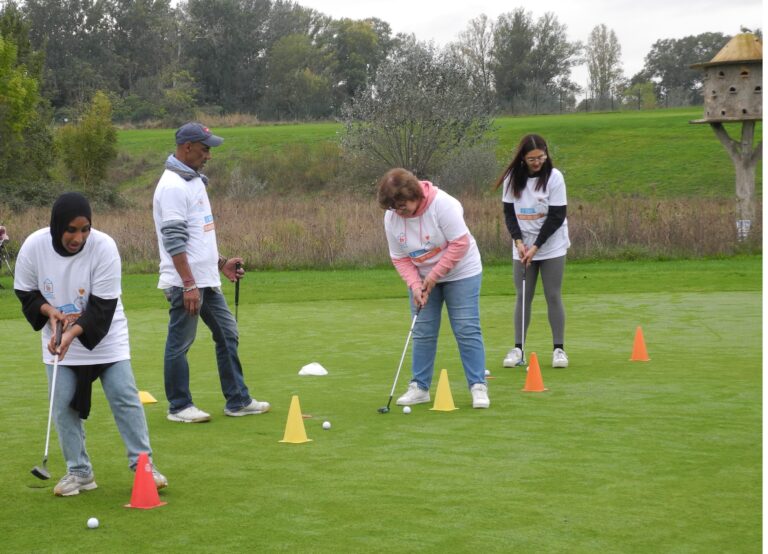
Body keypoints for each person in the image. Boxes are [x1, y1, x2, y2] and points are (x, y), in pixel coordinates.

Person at [14, 192, 167, 496]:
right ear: (57, 226)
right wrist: (50, 313)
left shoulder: (104, 247)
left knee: (124, 396)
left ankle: (144, 467)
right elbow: (26, 293)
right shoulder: (34, 246)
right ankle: (80, 472)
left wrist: (72, 334)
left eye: (84, 229)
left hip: (106, 335)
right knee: (62, 404)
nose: (78, 237)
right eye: (71, 229)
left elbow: (102, 307)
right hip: (58, 337)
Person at [153, 122, 270, 423]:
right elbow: (175, 241)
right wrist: (189, 283)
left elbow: (197, 238)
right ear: (187, 147)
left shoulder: (192, 181)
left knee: (227, 333)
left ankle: (238, 400)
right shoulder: (172, 187)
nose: (209, 155)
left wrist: (221, 263)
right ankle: (179, 406)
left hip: (205, 279)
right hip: (186, 284)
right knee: (180, 343)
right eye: (205, 149)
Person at [377, 168, 490, 409]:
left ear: (414, 194)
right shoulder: (392, 218)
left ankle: (478, 386)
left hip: (462, 271)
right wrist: (416, 285)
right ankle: (420, 387)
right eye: (393, 207)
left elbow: (460, 243)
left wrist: (434, 276)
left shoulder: (443, 205)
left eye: (401, 205)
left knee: (466, 327)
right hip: (422, 275)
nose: (398, 211)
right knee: (422, 329)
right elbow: (399, 258)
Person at [495, 133, 570, 369]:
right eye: (532, 158)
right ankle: (518, 349)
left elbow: (557, 216)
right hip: (523, 246)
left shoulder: (554, 178)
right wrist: (518, 242)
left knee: (552, 294)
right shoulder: (511, 179)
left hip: (551, 245)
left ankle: (559, 350)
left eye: (541, 157)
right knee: (523, 296)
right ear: (523, 158)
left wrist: (536, 246)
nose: (537, 162)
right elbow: (509, 213)